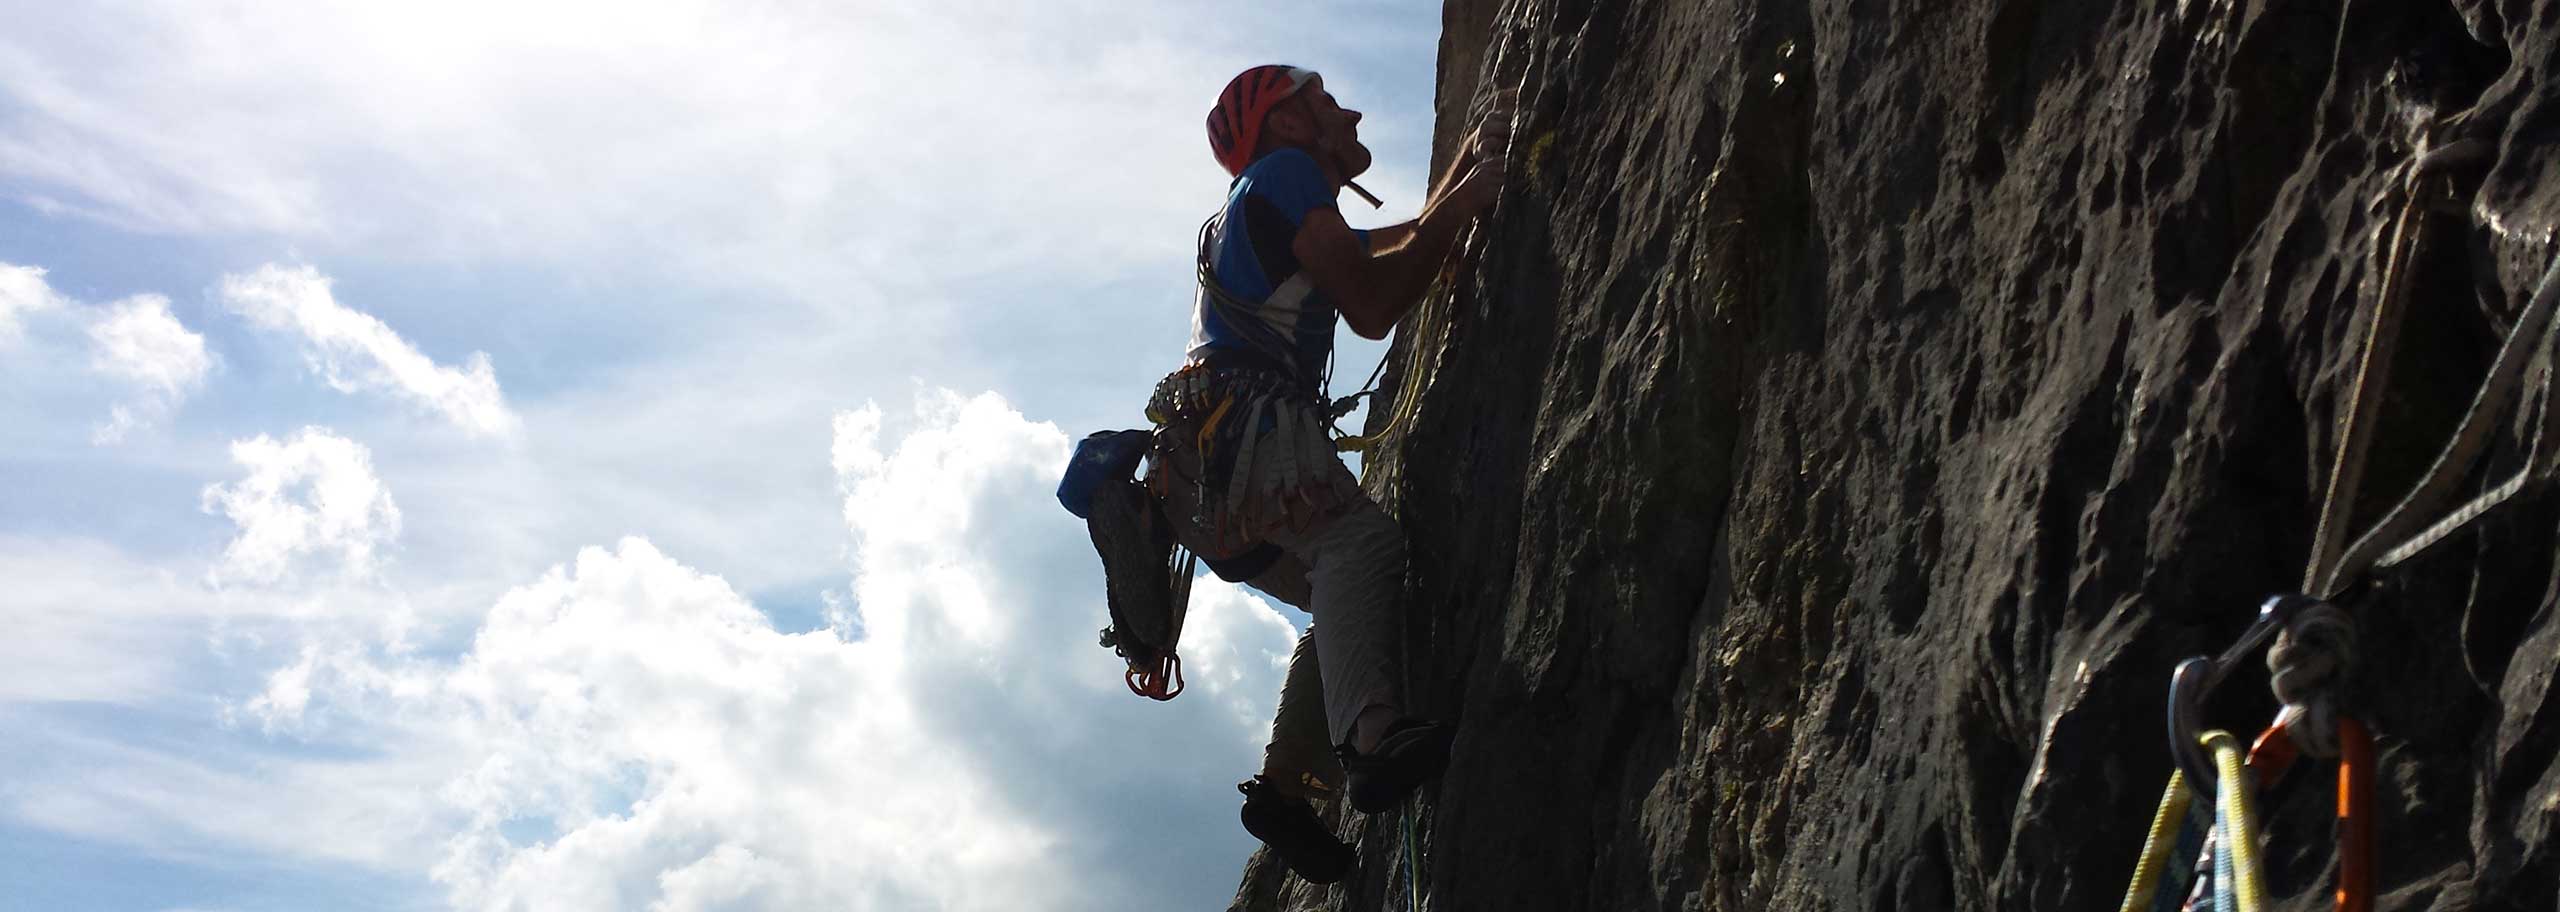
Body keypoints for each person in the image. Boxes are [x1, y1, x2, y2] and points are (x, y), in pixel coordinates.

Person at [1144, 64, 1509, 883]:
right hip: (1247, 441)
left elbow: (1401, 239)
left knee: (1340, 595)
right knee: (1359, 546)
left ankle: (1284, 791)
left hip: (1200, 483)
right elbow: (1374, 306)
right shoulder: (1287, 173)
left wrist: (1466, 167)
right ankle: (1371, 745)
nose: (1350, 114)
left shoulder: (1264, 202)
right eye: (1326, 104)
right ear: (1288, 125)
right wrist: (1469, 200)